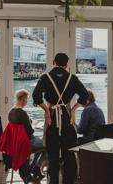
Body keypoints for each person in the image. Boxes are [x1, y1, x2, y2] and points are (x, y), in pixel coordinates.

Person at [33, 53, 88, 184]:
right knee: (68, 156)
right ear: (67, 65)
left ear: (53, 62)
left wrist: (46, 110)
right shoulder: (72, 78)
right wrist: (73, 110)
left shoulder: (45, 78)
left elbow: (36, 96)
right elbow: (85, 96)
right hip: (67, 121)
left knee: (52, 157)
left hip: (52, 119)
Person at [8, 89, 45, 183]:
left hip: (17, 143)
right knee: (47, 144)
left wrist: (29, 121)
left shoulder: (11, 112)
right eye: (26, 100)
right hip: (26, 143)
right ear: (23, 99)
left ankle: (34, 167)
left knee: (40, 142)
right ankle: (35, 166)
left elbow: (19, 126)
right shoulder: (22, 113)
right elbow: (30, 131)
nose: (26, 102)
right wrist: (32, 124)